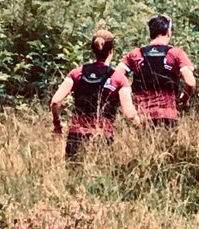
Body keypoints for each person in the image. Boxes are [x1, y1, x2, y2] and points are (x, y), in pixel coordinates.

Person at [50, 29, 140, 158]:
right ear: (111, 51)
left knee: (74, 176)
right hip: (102, 138)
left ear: (93, 49)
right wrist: (141, 127)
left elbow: (55, 102)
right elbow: (130, 115)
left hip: (76, 137)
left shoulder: (77, 73)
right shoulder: (118, 79)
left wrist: (57, 124)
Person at [114, 14, 195, 127]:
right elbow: (190, 82)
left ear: (150, 33)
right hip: (168, 115)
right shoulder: (175, 53)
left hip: (142, 117)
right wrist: (185, 99)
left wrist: (128, 104)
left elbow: (115, 77)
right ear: (168, 31)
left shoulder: (136, 54)